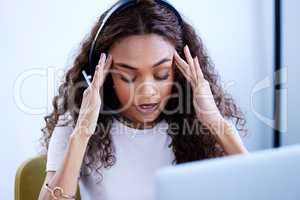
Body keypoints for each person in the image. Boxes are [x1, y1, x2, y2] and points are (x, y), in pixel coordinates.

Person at [38, 0, 248, 199]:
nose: (147, 92)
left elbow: (262, 190)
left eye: (162, 74)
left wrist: (215, 123)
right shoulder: (75, 123)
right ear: (101, 74)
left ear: (180, 71)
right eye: (128, 77)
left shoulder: (202, 121)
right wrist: (81, 135)